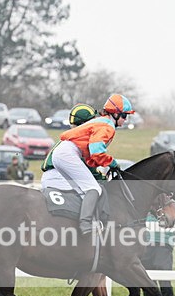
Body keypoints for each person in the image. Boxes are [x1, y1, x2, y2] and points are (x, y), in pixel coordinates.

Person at [41, 94, 134, 233]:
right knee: (94, 189)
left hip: (62, 154)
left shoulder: (101, 122)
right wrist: (111, 162)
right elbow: (96, 151)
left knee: (82, 191)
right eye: (124, 116)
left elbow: (92, 156)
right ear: (115, 114)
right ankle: (85, 225)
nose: (125, 120)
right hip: (69, 154)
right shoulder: (107, 126)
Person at [140, 206, 175, 296]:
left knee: (164, 275)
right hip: (146, 242)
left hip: (164, 242)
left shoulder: (169, 199)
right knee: (147, 277)